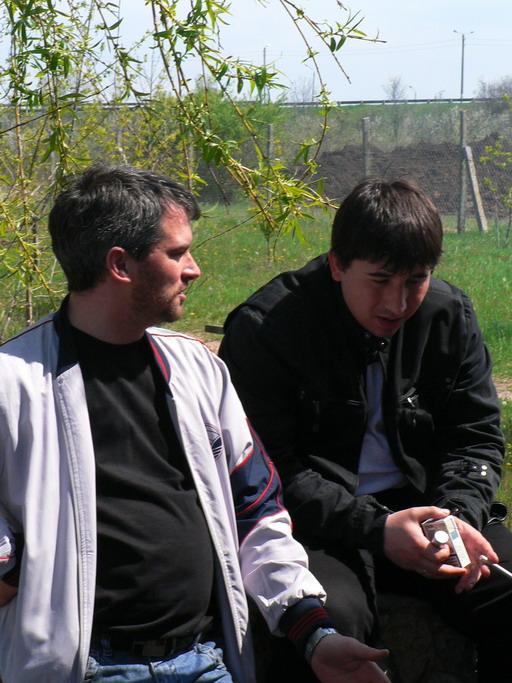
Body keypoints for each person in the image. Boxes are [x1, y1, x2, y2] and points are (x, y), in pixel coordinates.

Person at [0, 165, 390, 683]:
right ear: (120, 264)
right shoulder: (14, 383)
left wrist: (312, 631)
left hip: (208, 661)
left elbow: (255, 510)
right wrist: (24, 570)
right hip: (88, 668)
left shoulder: (198, 370)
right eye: (177, 253)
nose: (195, 269)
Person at [219, 178, 512, 683]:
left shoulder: (447, 315)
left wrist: (458, 517)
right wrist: (375, 528)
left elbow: (476, 436)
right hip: (315, 529)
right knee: (330, 623)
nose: (397, 303)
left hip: (429, 514)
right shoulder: (267, 329)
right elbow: (265, 470)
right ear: (337, 265)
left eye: (416, 280)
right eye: (379, 280)